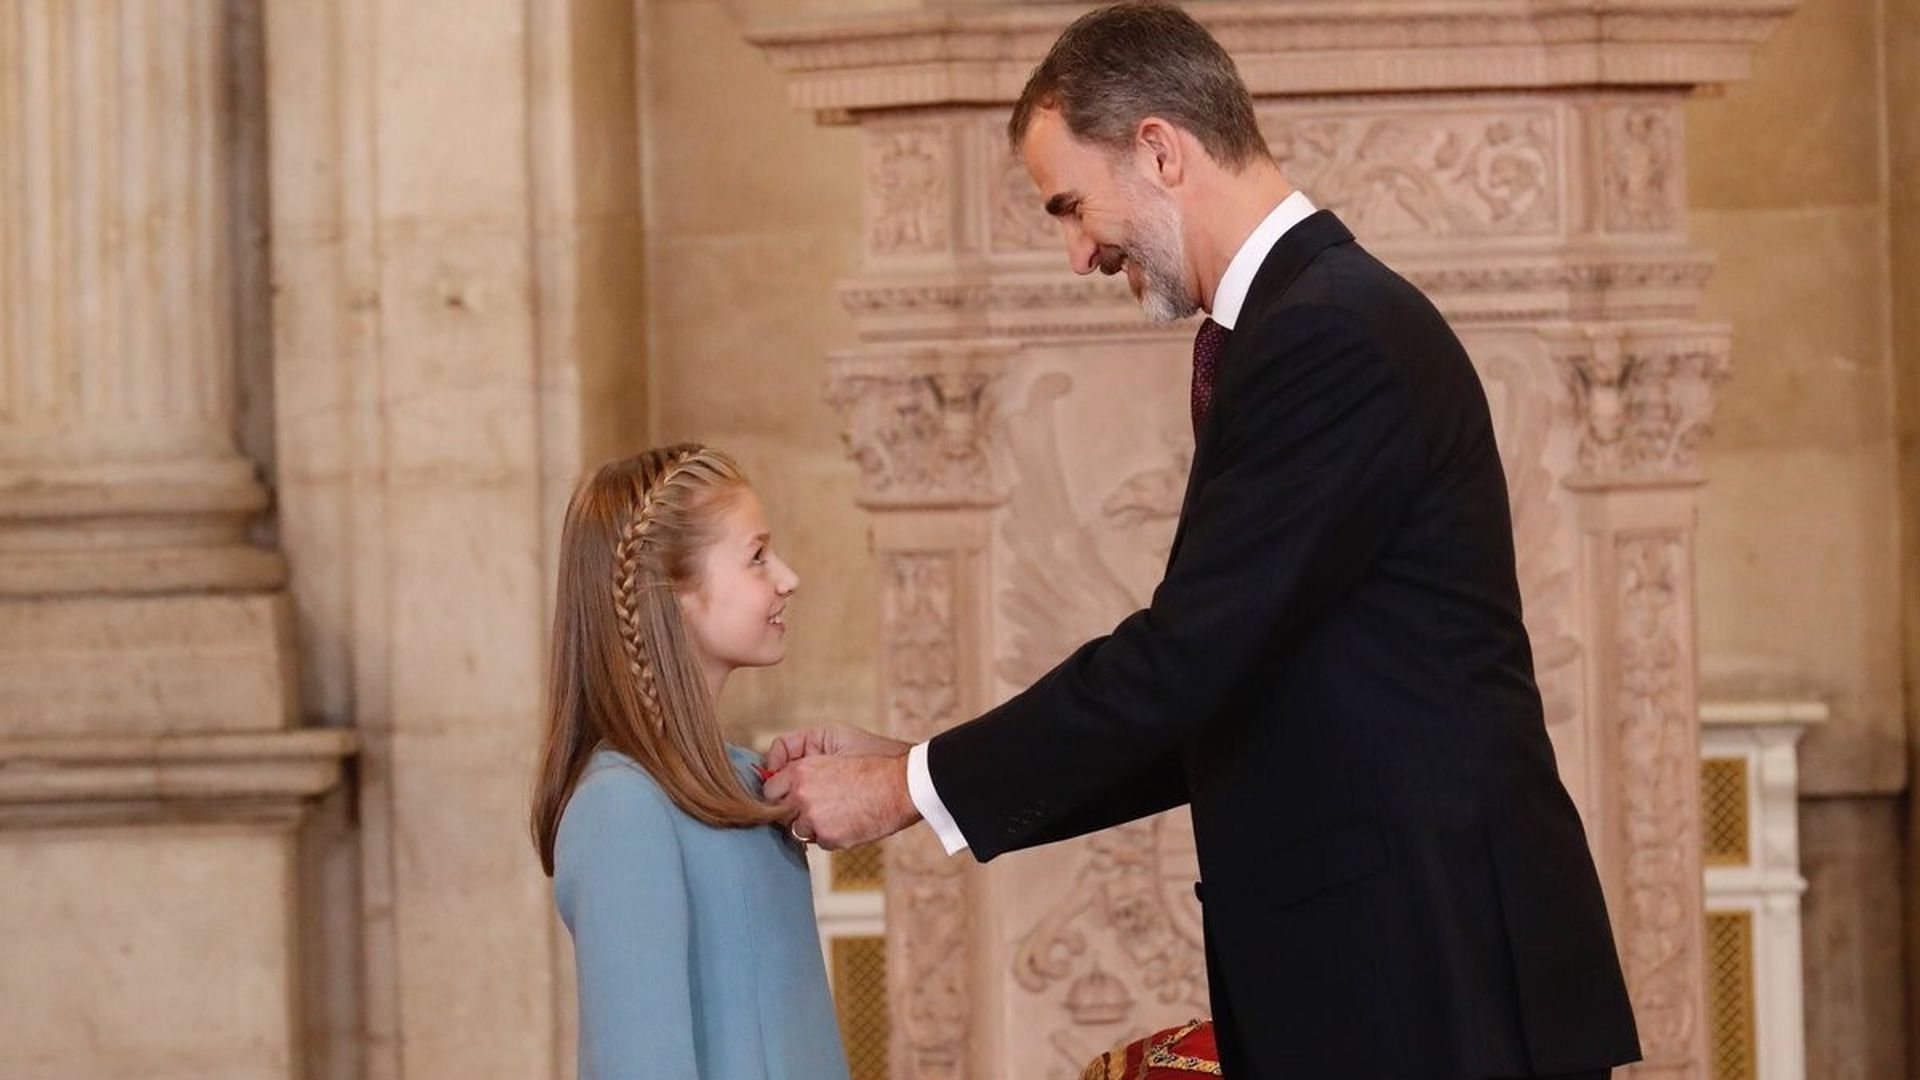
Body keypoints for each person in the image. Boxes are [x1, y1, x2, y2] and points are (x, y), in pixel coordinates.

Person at [763, 4, 1642, 1078]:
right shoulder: (1301, 323)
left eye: (1072, 205)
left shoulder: (1329, 336)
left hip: (1433, 980)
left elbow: (1182, 664)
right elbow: (1217, 694)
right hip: (1393, 976)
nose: (1079, 250)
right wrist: (912, 766)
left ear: (1159, 148)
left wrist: (906, 789)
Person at [529, 444, 849, 1080]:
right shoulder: (622, 807)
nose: (788, 577)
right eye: (756, 557)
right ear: (671, 591)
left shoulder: (745, 781)